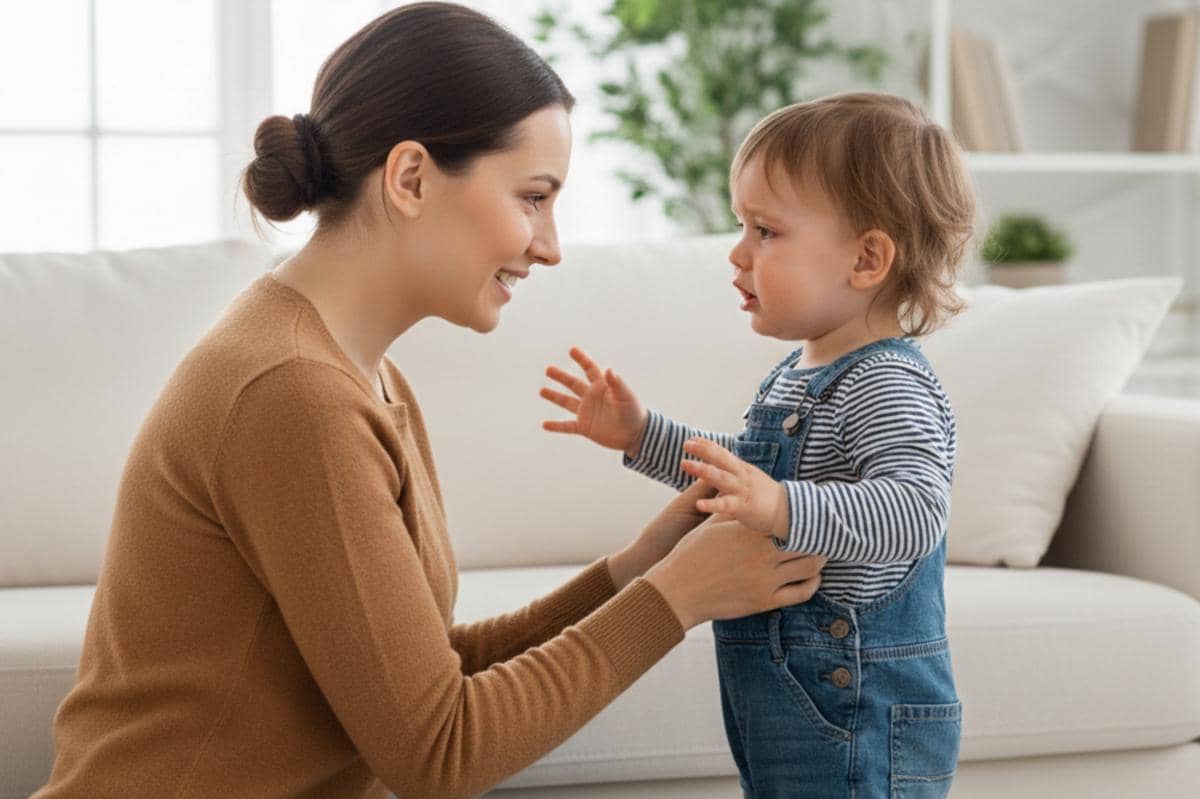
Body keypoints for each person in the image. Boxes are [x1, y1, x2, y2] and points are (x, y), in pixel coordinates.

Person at [32, 4, 826, 798]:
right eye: (533, 197)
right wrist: (675, 598)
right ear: (410, 178)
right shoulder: (293, 392)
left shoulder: (353, 372)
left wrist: (635, 569)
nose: (550, 245)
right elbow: (441, 752)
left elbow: (425, 683)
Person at [540, 92, 976, 798]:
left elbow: (914, 510)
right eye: (742, 225)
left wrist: (779, 506)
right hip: (795, 701)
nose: (737, 252)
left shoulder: (888, 381)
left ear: (867, 258)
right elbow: (747, 474)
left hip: (859, 713)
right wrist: (644, 434)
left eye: (766, 231)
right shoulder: (798, 372)